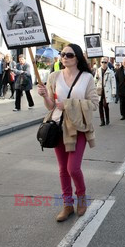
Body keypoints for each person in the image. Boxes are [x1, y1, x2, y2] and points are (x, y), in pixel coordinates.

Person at [37, 44, 99, 222]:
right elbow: (50, 106)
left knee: (73, 168)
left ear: (77, 57)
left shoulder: (87, 78)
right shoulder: (54, 76)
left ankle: (81, 196)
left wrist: (69, 104)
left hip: (78, 128)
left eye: (69, 54)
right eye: (62, 54)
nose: (64, 57)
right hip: (58, 125)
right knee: (63, 169)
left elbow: (94, 104)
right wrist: (45, 96)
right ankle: (67, 205)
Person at [94, 57, 116, 126]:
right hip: (99, 90)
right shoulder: (97, 71)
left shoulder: (110, 72)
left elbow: (113, 82)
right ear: (100, 63)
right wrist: (96, 78)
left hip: (107, 91)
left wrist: (113, 92)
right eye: (102, 62)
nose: (103, 64)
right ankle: (102, 121)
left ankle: (107, 119)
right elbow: (94, 82)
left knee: (105, 105)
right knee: (100, 106)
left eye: (105, 62)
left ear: (107, 63)